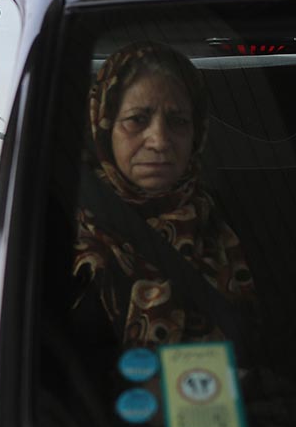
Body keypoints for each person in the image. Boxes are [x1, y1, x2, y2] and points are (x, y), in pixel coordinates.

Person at [72, 41, 256, 350]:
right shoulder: (61, 228)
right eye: (137, 119)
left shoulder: (229, 222)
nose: (159, 140)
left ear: (196, 133)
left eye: (178, 121)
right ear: (104, 125)